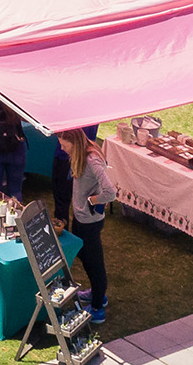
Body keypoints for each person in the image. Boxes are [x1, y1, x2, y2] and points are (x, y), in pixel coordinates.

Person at [57, 129, 112, 324]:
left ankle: (97, 307)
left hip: (90, 221)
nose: (62, 149)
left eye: (64, 145)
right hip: (82, 218)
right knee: (84, 255)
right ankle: (98, 293)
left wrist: (92, 200)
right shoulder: (82, 154)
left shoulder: (91, 160)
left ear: (74, 142)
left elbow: (110, 191)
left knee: (94, 263)